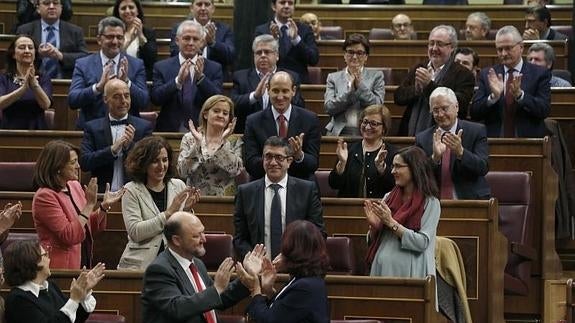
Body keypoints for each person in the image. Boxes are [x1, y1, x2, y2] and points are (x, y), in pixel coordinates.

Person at [141, 211, 253, 323]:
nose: (204, 239)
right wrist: (216, 288)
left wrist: (246, 280)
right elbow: (176, 308)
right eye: (196, 236)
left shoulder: (197, 264)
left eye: (202, 233)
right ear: (176, 240)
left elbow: (218, 298)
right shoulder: (159, 270)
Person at [32, 140, 125, 269]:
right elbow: (69, 235)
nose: (78, 166)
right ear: (57, 167)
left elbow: (87, 226)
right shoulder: (44, 197)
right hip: (59, 268)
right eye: (73, 162)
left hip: (83, 260)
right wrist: (89, 205)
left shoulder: (74, 186)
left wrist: (103, 207)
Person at [234, 136, 326, 260]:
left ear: (289, 162)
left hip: (296, 268)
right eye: (268, 156)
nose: (273, 162)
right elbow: (240, 238)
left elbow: (318, 233)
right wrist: (254, 258)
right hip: (257, 269)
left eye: (279, 157)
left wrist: (290, 258)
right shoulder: (245, 192)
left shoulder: (307, 190)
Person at [118, 136, 200, 270]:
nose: (162, 166)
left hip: (175, 263)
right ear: (143, 163)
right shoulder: (131, 190)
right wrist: (168, 214)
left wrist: (186, 211)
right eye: (155, 161)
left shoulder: (178, 186)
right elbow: (136, 232)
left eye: (165, 160)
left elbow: (185, 232)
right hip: (140, 265)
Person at [364, 146, 440, 284]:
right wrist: (374, 228)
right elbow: (372, 241)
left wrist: (391, 223)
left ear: (414, 168)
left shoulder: (431, 202)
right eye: (393, 166)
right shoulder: (388, 197)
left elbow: (422, 242)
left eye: (398, 167)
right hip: (382, 270)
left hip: (413, 274)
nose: (393, 171)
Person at [235, 220, 330, 323]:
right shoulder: (302, 280)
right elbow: (280, 312)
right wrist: (268, 290)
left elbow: (268, 320)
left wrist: (255, 288)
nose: (282, 252)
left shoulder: (305, 287)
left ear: (293, 251)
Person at [68, 16, 149, 130]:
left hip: (128, 130)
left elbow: (144, 101)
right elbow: (73, 100)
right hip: (92, 131)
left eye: (119, 37)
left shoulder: (136, 64)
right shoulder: (83, 64)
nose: (115, 41)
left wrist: (126, 82)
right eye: (110, 37)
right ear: (99, 39)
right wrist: (98, 88)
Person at [394, 25, 475, 136]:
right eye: (431, 43)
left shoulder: (463, 73)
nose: (434, 48)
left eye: (440, 44)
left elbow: (461, 105)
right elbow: (398, 97)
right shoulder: (420, 67)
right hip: (410, 132)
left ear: (452, 47)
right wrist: (416, 90)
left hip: (444, 136)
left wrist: (429, 85)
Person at [471, 26, 551, 138]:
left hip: (529, 143)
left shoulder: (539, 74)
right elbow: (474, 113)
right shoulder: (488, 74)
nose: (503, 53)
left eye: (508, 48)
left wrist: (520, 96)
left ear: (521, 47)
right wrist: (493, 97)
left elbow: (544, 110)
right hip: (493, 142)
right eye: (499, 49)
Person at [243, 71, 321, 182]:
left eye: (285, 91)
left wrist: (299, 155)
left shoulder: (310, 119)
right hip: (264, 183)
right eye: (275, 91)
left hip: (299, 183)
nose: (280, 97)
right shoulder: (253, 121)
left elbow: (313, 164)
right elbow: (251, 163)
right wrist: (273, 161)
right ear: (267, 89)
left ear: (293, 91)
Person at [415, 87, 490, 200]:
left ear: (457, 107)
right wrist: (435, 158)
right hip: (434, 202)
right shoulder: (423, 138)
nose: (440, 114)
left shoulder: (476, 131)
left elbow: (483, 168)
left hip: (471, 200)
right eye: (435, 110)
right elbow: (418, 175)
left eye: (445, 108)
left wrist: (461, 153)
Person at [80, 78, 153, 193]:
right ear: (105, 99)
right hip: (102, 193)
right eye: (117, 96)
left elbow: (149, 162)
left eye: (126, 95)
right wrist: (112, 150)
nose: (123, 100)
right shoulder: (92, 128)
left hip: (134, 194)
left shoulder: (144, 127)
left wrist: (130, 147)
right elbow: (85, 162)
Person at [4, 240, 106, 323]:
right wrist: (74, 299)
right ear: (33, 261)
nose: (49, 259)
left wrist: (83, 294)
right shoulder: (18, 299)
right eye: (45, 255)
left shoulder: (50, 287)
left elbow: (73, 319)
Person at [152, 20, 223, 132]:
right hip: (169, 130)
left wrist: (201, 79)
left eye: (195, 39)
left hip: (202, 131)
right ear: (177, 40)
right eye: (186, 38)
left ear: (201, 42)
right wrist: (177, 81)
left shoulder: (214, 68)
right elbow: (156, 98)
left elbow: (218, 100)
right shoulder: (161, 67)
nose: (191, 43)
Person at [230, 34, 305, 134]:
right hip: (250, 133)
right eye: (259, 53)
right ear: (254, 56)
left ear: (277, 55)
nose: (263, 55)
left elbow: (299, 105)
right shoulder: (241, 77)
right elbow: (232, 104)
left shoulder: (291, 76)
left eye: (267, 52)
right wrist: (254, 96)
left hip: (281, 132)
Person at [177, 95, 243, 196]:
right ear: (205, 114)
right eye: (216, 111)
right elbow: (182, 172)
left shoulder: (233, 141)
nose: (221, 115)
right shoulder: (190, 138)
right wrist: (197, 145)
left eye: (225, 113)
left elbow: (236, 171)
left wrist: (222, 142)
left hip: (225, 200)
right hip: (194, 198)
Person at [329, 105, 395, 198]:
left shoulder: (392, 153)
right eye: (365, 122)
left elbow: (393, 187)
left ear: (384, 128)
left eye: (374, 123)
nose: (367, 127)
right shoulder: (348, 150)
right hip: (348, 209)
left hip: (378, 209)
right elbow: (333, 184)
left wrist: (382, 169)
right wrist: (341, 165)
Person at [324, 33, 385, 136]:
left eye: (359, 53)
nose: (355, 57)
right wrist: (350, 92)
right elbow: (329, 108)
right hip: (339, 132)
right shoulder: (333, 78)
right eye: (350, 52)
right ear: (345, 55)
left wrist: (360, 86)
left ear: (366, 57)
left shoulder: (376, 76)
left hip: (367, 131)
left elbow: (378, 107)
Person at [16, 0, 88, 79]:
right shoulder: (25, 30)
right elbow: (17, 56)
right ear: (38, 9)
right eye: (46, 3)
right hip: (32, 80)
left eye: (55, 3)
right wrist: (37, 53)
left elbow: (84, 58)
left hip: (65, 82)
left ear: (61, 7)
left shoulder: (75, 31)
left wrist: (61, 56)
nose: (51, 7)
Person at [254, 0, 319, 83]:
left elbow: (313, 59)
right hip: (271, 82)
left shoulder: (305, 29)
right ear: (274, 6)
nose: (287, 6)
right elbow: (259, 60)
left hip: (299, 83)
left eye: (290, 3)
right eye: (282, 2)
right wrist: (274, 41)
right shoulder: (262, 30)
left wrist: (296, 40)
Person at [169, 0, 235, 78]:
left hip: (214, 79)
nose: (203, 8)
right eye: (199, 4)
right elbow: (174, 54)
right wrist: (198, 47)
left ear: (213, 8)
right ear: (191, 8)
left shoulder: (224, 29)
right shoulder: (179, 28)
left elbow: (230, 56)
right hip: (186, 76)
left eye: (207, 4)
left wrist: (213, 43)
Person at [0, 35, 51, 130]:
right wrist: (22, 90)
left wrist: (34, 84)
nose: (27, 51)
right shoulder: (3, 77)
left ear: (34, 53)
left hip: (37, 131)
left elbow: (46, 104)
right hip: (8, 131)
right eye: (22, 47)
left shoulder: (43, 77)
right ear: (13, 54)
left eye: (30, 48)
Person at [112, 0, 157, 81]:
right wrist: (128, 40)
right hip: (116, 76)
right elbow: (112, 57)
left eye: (131, 7)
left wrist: (141, 36)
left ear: (137, 11)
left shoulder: (148, 32)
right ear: (118, 12)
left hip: (141, 79)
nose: (127, 11)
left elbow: (151, 60)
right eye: (123, 8)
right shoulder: (112, 32)